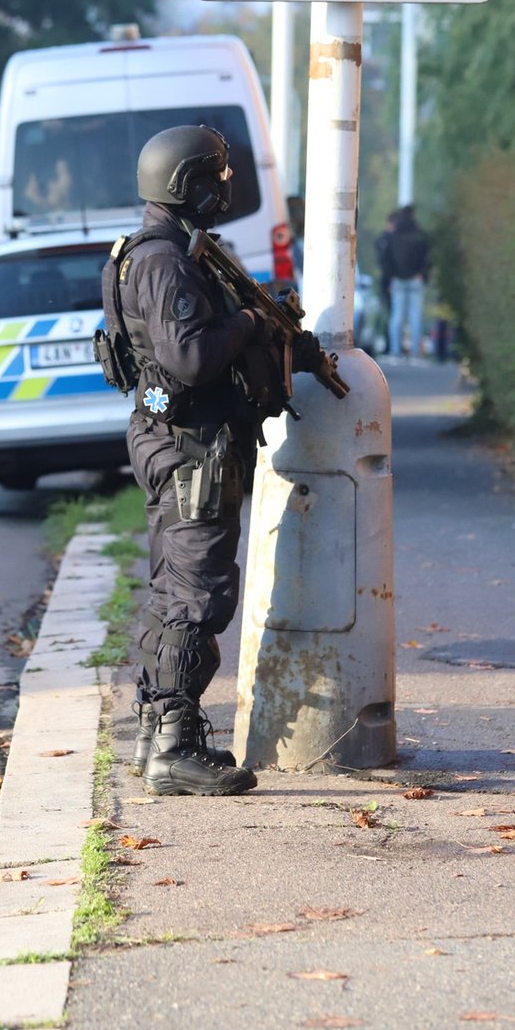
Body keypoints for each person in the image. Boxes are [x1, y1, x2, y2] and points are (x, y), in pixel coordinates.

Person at [101, 125, 323, 797]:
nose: (225, 185)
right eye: (215, 174)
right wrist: (251, 326)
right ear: (185, 183)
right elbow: (191, 356)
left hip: (175, 438)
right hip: (190, 445)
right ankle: (173, 747)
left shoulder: (148, 251)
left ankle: (164, 733)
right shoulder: (166, 260)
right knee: (198, 592)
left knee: (175, 588)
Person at [383, 204, 431, 360]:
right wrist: (422, 274)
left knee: (397, 316)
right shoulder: (419, 235)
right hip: (416, 279)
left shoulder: (393, 236)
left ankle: (395, 351)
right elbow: (427, 257)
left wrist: (390, 277)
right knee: (415, 317)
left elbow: (387, 259)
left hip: (397, 279)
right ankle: (416, 352)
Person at [375, 210, 399, 343]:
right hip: (388, 280)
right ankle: (388, 341)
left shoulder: (382, 238)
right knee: (390, 312)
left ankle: (386, 340)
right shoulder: (389, 239)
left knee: (388, 311)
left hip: (385, 279)